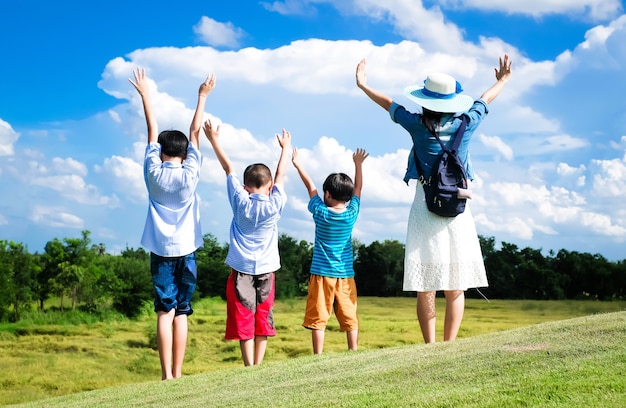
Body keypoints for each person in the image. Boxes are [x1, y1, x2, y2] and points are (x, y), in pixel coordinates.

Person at [356, 55, 512, 343]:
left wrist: (364, 85)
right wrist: (501, 80)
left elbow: (389, 103)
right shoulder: (468, 122)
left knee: (425, 282)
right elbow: (484, 100)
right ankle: (449, 344)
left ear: (426, 100)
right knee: (457, 282)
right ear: (453, 101)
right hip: (458, 207)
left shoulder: (416, 125)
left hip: (425, 205)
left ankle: (429, 345)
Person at [129, 67, 216, 379]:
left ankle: (166, 374)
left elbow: (151, 131)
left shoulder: (152, 171)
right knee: (182, 311)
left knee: (164, 311)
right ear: (184, 153)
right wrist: (202, 96)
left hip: (161, 251)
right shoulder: (191, 173)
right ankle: (179, 373)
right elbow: (194, 134)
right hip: (188, 249)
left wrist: (145, 94)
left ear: (162, 151)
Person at [203, 119, 291, 366]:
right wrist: (285, 149)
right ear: (270, 186)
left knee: (244, 314)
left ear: (245, 187)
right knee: (263, 315)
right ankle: (259, 364)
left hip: (241, 268)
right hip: (266, 268)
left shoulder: (240, 201)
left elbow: (228, 167)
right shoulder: (275, 205)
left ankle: (248, 364)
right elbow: (281, 173)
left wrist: (214, 140)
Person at [291, 147, 369, 354]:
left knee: (319, 317)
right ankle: (353, 350)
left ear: (327, 193)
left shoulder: (320, 213)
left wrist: (298, 164)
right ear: (348, 196)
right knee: (350, 316)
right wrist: (358, 165)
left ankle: (318, 354)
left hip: (321, 275)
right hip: (345, 275)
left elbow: (310, 188)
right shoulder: (352, 213)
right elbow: (359, 189)